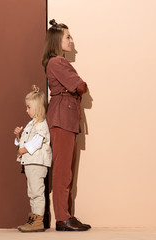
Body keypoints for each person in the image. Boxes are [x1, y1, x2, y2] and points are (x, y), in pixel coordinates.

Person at [42, 19, 91, 231]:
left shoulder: (59, 63)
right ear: (56, 40)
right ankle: (62, 218)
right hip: (62, 118)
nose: (72, 41)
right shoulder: (57, 63)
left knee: (67, 171)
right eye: (68, 37)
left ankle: (67, 215)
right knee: (63, 171)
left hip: (66, 118)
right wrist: (77, 86)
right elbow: (81, 86)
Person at [13, 85, 52, 232]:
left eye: (29, 107)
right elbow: (25, 141)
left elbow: (36, 143)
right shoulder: (32, 123)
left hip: (36, 163)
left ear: (37, 107)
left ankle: (38, 220)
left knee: (37, 192)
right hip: (30, 162)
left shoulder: (41, 124)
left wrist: (22, 150)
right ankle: (34, 219)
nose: (26, 110)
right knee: (32, 192)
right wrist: (18, 137)